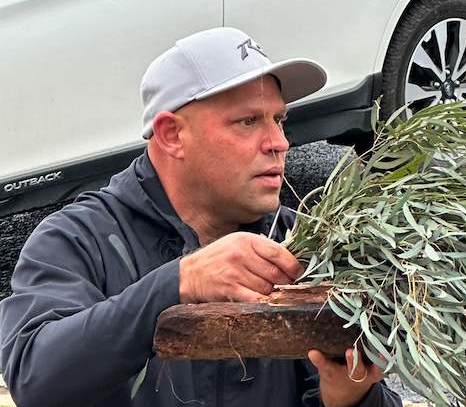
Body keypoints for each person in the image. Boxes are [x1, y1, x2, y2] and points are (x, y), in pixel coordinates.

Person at [0, 27, 401, 407]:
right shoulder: (80, 239)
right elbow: (37, 378)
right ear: (172, 134)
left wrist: (350, 397)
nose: (279, 143)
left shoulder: (305, 245)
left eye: (279, 120)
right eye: (248, 121)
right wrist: (179, 283)